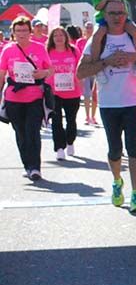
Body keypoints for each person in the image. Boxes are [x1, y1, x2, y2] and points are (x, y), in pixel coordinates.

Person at [77, 0, 136, 212]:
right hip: (109, 103)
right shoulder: (98, 39)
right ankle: (117, 181)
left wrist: (132, 57)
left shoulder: (134, 36)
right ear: (105, 16)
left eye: (120, 13)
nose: (117, 17)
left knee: (133, 147)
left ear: (126, 15)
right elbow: (81, 72)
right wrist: (107, 61)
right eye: (112, 13)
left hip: (132, 100)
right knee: (115, 149)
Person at [0, 15, 51, 180]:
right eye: (18, 31)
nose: (21, 34)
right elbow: (1, 74)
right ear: (13, 33)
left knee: (33, 131)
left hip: (34, 97)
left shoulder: (40, 48)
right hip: (13, 98)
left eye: (24, 30)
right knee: (21, 133)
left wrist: (43, 73)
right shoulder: (8, 50)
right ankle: (27, 165)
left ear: (30, 32)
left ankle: (35, 167)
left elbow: (50, 70)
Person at [46, 26, 83, 160]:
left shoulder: (73, 50)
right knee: (56, 121)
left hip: (72, 91)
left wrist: (81, 83)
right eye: (55, 35)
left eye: (61, 35)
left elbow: (80, 68)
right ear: (52, 38)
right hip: (54, 92)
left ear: (66, 37)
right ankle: (59, 148)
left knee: (71, 120)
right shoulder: (48, 51)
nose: (59, 38)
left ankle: (70, 141)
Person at [78, 21, 99, 125]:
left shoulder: (97, 40)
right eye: (87, 27)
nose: (89, 29)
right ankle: (87, 116)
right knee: (87, 94)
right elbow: (78, 56)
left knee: (95, 93)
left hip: (95, 69)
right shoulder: (80, 42)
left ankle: (93, 115)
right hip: (85, 70)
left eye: (91, 27)